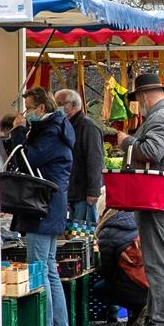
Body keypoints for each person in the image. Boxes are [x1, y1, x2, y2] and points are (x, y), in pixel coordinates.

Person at [115, 73, 164, 326]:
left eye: (138, 99)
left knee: (156, 261)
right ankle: (153, 318)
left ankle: (162, 322)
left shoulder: (159, 118)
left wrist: (126, 141)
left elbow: (151, 152)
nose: (139, 105)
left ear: (146, 95)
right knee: (157, 259)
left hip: (158, 198)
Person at [12, 87, 75, 326]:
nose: (26, 112)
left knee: (39, 268)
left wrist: (18, 131)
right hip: (53, 205)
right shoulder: (59, 129)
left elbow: (26, 157)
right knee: (49, 268)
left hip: (42, 206)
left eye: (28, 108)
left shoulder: (51, 132)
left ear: (41, 108)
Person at [54, 88, 105, 225]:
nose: (57, 107)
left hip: (83, 193)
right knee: (73, 233)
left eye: (61, 103)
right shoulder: (64, 126)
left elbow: (95, 160)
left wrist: (93, 190)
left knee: (83, 234)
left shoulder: (87, 127)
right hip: (72, 191)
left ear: (74, 105)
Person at [94, 208, 149, 326]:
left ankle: (137, 307)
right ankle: (140, 310)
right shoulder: (147, 224)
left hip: (134, 284)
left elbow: (107, 268)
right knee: (126, 279)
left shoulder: (107, 232)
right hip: (162, 284)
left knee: (99, 288)